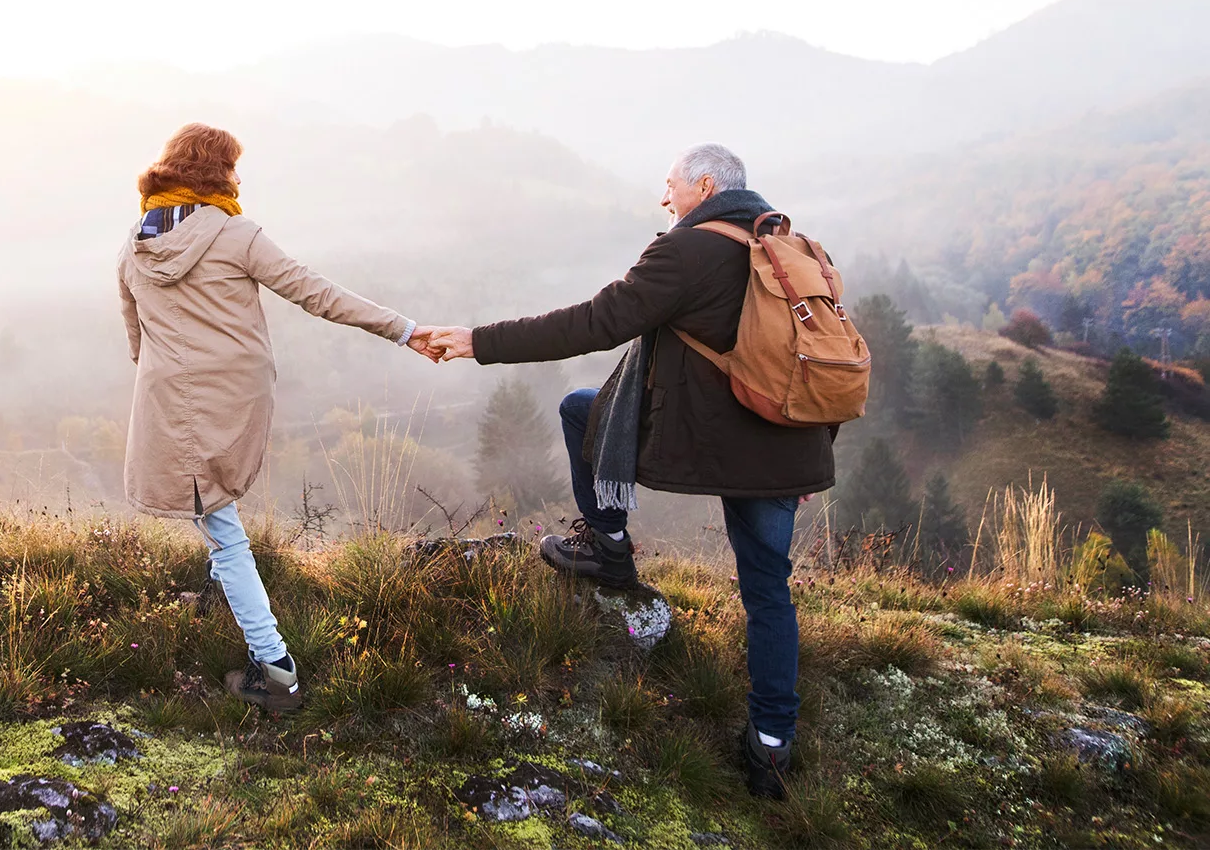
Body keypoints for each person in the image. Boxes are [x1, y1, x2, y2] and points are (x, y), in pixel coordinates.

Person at [420, 143, 832, 800]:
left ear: (703, 186)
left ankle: (607, 548)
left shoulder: (687, 251)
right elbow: (823, 357)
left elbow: (592, 323)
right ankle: (773, 746)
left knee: (583, 411)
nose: (664, 198)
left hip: (720, 439)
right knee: (768, 591)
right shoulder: (795, 249)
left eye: (670, 186)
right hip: (788, 442)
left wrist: (478, 341)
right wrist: (809, 447)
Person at [118, 122, 435, 713]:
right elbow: (314, 291)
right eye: (233, 168)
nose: (240, 179)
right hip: (234, 394)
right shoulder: (236, 235)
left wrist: (171, 384)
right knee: (222, 523)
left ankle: (239, 616)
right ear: (213, 174)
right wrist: (404, 329)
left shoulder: (133, 246)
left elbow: (137, 340)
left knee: (213, 510)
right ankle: (279, 671)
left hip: (170, 398)